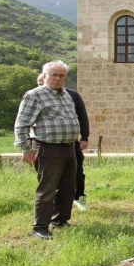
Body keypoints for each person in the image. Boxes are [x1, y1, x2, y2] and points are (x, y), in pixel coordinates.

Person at [15, 61, 80, 240]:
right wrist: (26, 149)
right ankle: (40, 227)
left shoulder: (66, 94)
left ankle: (60, 220)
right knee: (47, 189)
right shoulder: (34, 95)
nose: (58, 79)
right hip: (47, 148)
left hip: (68, 148)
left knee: (68, 188)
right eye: (54, 75)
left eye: (62, 76)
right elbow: (21, 124)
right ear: (44, 76)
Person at [37, 73, 90, 211]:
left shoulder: (71, 95)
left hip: (71, 143)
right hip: (47, 145)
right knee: (48, 177)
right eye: (39, 83)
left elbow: (82, 116)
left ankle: (79, 197)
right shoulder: (35, 97)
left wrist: (84, 137)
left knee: (77, 171)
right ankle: (51, 205)